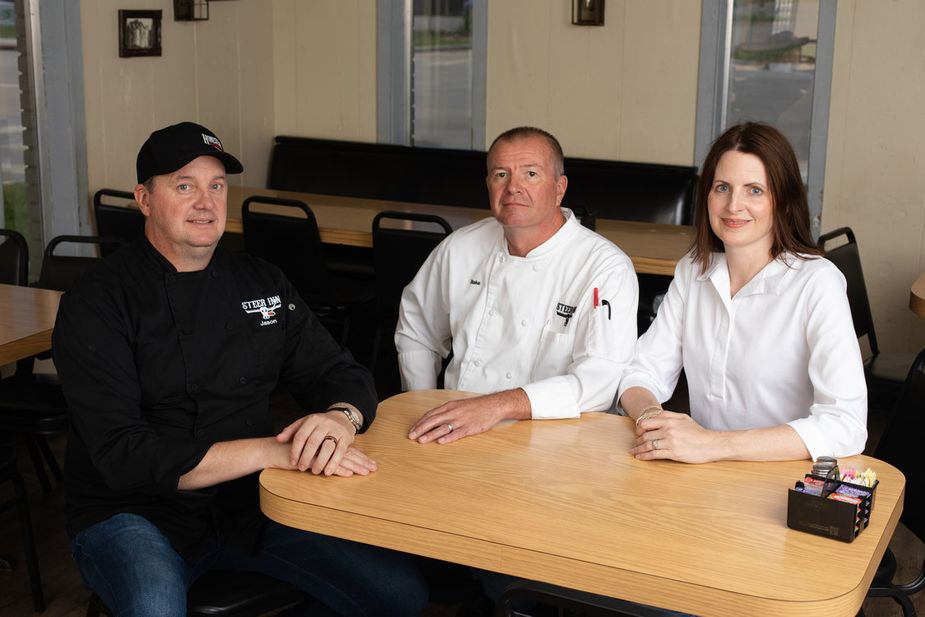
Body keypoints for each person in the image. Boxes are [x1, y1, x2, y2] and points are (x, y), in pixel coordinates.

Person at [53, 122, 427, 617]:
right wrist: (276, 451)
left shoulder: (260, 282)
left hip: (249, 505)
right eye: (185, 186)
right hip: (132, 513)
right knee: (155, 607)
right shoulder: (97, 302)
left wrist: (341, 418)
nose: (205, 202)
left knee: (399, 595)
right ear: (144, 199)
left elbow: (342, 373)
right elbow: (126, 456)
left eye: (217, 186)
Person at [619, 122, 867, 463]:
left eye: (754, 190)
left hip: (781, 481)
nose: (733, 205)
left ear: (783, 201)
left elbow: (846, 425)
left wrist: (713, 445)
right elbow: (640, 371)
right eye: (722, 187)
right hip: (701, 473)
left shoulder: (817, 283)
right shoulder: (693, 271)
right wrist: (651, 418)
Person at [395, 126, 638, 444]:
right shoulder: (460, 248)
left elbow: (599, 382)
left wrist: (495, 406)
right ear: (488, 185)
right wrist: (426, 406)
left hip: (556, 440)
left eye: (531, 174)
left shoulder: (604, 268)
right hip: (455, 432)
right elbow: (417, 330)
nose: (513, 188)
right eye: (500, 175)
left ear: (559, 188)